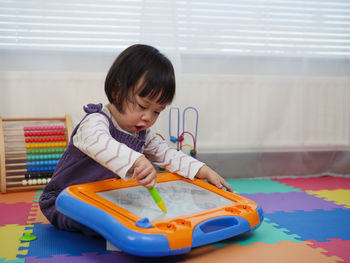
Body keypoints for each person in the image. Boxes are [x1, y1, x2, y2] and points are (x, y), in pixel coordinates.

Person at [39, 44, 233, 236]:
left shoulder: (143, 133)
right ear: (116, 91)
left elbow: (166, 154)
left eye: (157, 111)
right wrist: (137, 160)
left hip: (107, 196)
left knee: (148, 209)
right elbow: (100, 144)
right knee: (109, 220)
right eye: (142, 106)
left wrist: (202, 169)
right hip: (65, 199)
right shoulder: (94, 122)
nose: (148, 117)